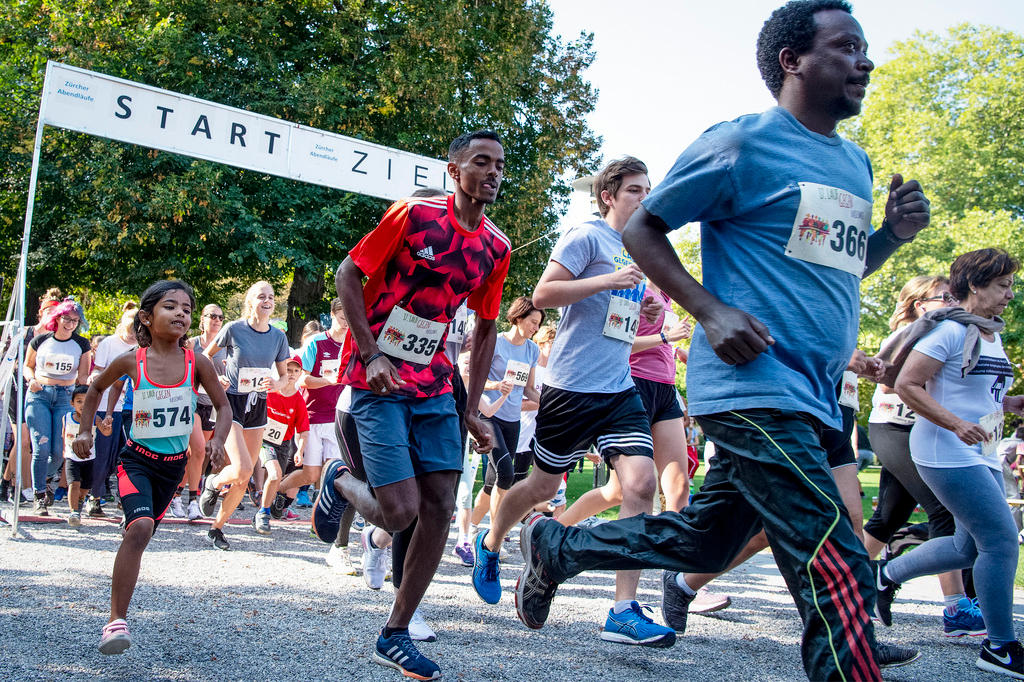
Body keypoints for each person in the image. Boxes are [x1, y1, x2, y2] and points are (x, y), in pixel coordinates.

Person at [513, 2, 930, 677]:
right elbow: (643, 230)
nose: (866, 61)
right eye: (847, 46)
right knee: (830, 540)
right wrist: (708, 311)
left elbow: (839, 268)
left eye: (865, 48)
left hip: (814, 392)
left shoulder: (854, 163)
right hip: (751, 384)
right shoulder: (741, 143)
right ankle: (850, 648)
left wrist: (890, 238)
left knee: (706, 540)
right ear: (792, 61)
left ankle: (559, 549)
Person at [312, 129, 510, 681]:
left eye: (499, 165)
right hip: (377, 376)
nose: (493, 173)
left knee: (442, 505)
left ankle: (395, 632)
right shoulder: (416, 215)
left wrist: (471, 407)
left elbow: (488, 324)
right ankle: (338, 481)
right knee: (399, 512)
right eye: (481, 162)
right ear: (454, 171)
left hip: (434, 383)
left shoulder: (496, 247)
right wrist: (371, 352)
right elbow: (348, 274)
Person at [473, 156, 674, 648]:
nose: (644, 198)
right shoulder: (585, 235)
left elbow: (616, 317)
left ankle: (623, 609)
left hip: (618, 388)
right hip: (570, 388)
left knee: (641, 485)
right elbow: (544, 294)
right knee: (540, 488)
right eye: (634, 190)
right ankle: (491, 540)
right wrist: (607, 281)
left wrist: (641, 305)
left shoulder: (640, 249)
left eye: (648, 190)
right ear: (609, 195)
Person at [877, 249, 1024, 678]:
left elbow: (982, 394)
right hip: (944, 447)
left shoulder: (989, 333)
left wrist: (1012, 403)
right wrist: (956, 424)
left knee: (967, 546)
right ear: (975, 284)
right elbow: (907, 384)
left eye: (1012, 285)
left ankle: (883, 575)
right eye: (1002, 285)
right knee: (1001, 541)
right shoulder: (949, 332)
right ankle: (999, 646)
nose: (1010, 295)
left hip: (980, 449)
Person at [74, 279, 230, 654]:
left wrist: (219, 441)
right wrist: (86, 430)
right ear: (146, 316)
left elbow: (224, 407)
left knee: (141, 534)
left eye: (187, 309)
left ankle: (129, 541)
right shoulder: (132, 360)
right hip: (136, 462)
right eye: (171, 306)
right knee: (140, 528)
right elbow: (94, 388)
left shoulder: (198, 362)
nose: (181, 313)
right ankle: (115, 622)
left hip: (173, 468)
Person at [860, 275, 980, 636]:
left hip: (924, 431)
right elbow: (887, 382)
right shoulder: (911, 334)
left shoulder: (951, 333)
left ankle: (853, 586)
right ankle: (956, 608)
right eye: (944, 297)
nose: (952, 302)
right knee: (945, 510)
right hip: (894, 428)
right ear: (919, 305)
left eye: (953, 296)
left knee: (888, 517)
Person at [199, 281, 290, 550]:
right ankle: (213, 482)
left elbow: (284, 376)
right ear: (250, 301)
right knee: (243, 469)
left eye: (271, 297)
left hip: (258, 405)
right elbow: (204, 358)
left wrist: (276, 384)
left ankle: (217, 528)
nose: (268, 301)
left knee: (243, 477)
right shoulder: (233, 329)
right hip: (231, 403)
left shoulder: (278, 337)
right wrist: (216, 378)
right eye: (262, 296)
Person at [475, 296, 543, 541]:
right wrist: (496, 385)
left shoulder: (532, 349)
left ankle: (471, 528)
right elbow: (474, 377)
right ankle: (496, 536)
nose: (536, 328)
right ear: (518, 317)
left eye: (538, 324)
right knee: (506, 473)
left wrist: (548, 400)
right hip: (489, 414)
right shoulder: (496, 342)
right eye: (533, 322)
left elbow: (529, 389)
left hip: (512, 419)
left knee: (494, 481)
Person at [24, 299, 92, 515]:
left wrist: (91, 381)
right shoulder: (40, 340)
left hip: (65, 396)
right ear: (57, 318)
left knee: (60, 450)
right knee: (41, 447)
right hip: (40, 394)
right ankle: (39, 495)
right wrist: (31, 380)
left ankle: (46, 479)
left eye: (75, 321)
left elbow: (82, 376)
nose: (70, 324)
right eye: (66, 319)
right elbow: (28, 366)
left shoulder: (82, 345)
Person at [88, 307, 137, 516]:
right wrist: (95, 377)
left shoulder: (143, 347)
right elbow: (98, 370)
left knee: (125, 456)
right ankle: (95, 497)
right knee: (102, 454)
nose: (133, 335)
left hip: (130, 408)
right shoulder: (109, 344)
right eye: (130, 330)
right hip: (106, 405)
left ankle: (124, 497)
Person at [254, 355, 309, 534]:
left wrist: (300, 450)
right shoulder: (270, 391)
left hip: (284, 444)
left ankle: (273, 501)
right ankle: (263, 514)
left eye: (296, 371)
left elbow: (302, 430)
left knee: (278, 477)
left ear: (301, 374)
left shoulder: (299, 400)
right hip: (264, 440)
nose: (292, 374)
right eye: (289, 370)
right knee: (275, 473)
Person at [61, 385, 112, 525]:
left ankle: (79, 503)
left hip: (89, 458)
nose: (83, 405)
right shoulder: (67, 418)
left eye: (87, 401)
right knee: (74, 484)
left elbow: (106, 432)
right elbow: (63, 435)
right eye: (79, 401)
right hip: (72, 457)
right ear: (72, 403)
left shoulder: (95, 419)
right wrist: (63, 452)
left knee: (84, 488)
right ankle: (73, 513)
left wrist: (107, 427)